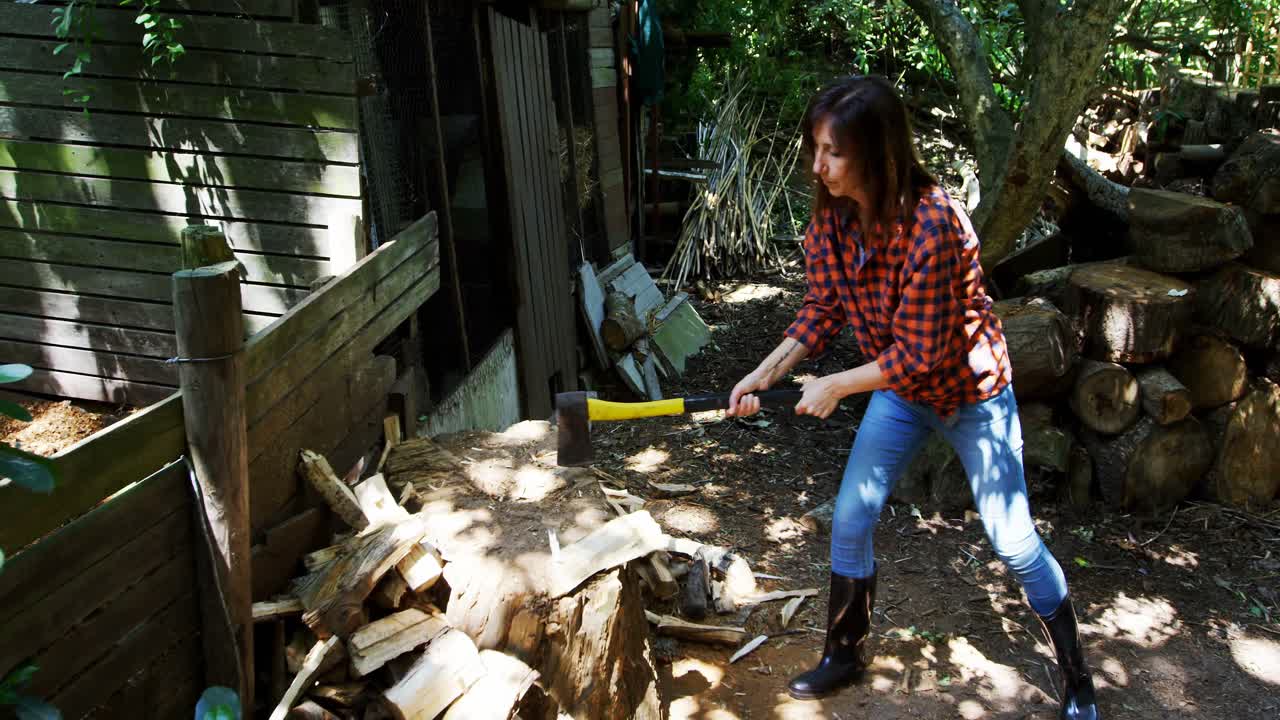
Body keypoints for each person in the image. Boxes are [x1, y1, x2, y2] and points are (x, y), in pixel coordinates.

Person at [726, 75, 1101, 720]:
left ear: (876, 152)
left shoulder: (935, 224)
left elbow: (920, 355)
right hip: (899, 393)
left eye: (833, 152)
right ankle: (844, 652)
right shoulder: (832, 221)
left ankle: (1077, 674)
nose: (818, 165)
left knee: (1012, 541)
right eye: (814, 148)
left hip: (969, 393)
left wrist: (838, 385)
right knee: (849, 517)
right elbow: (822, 309)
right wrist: (766, 371)